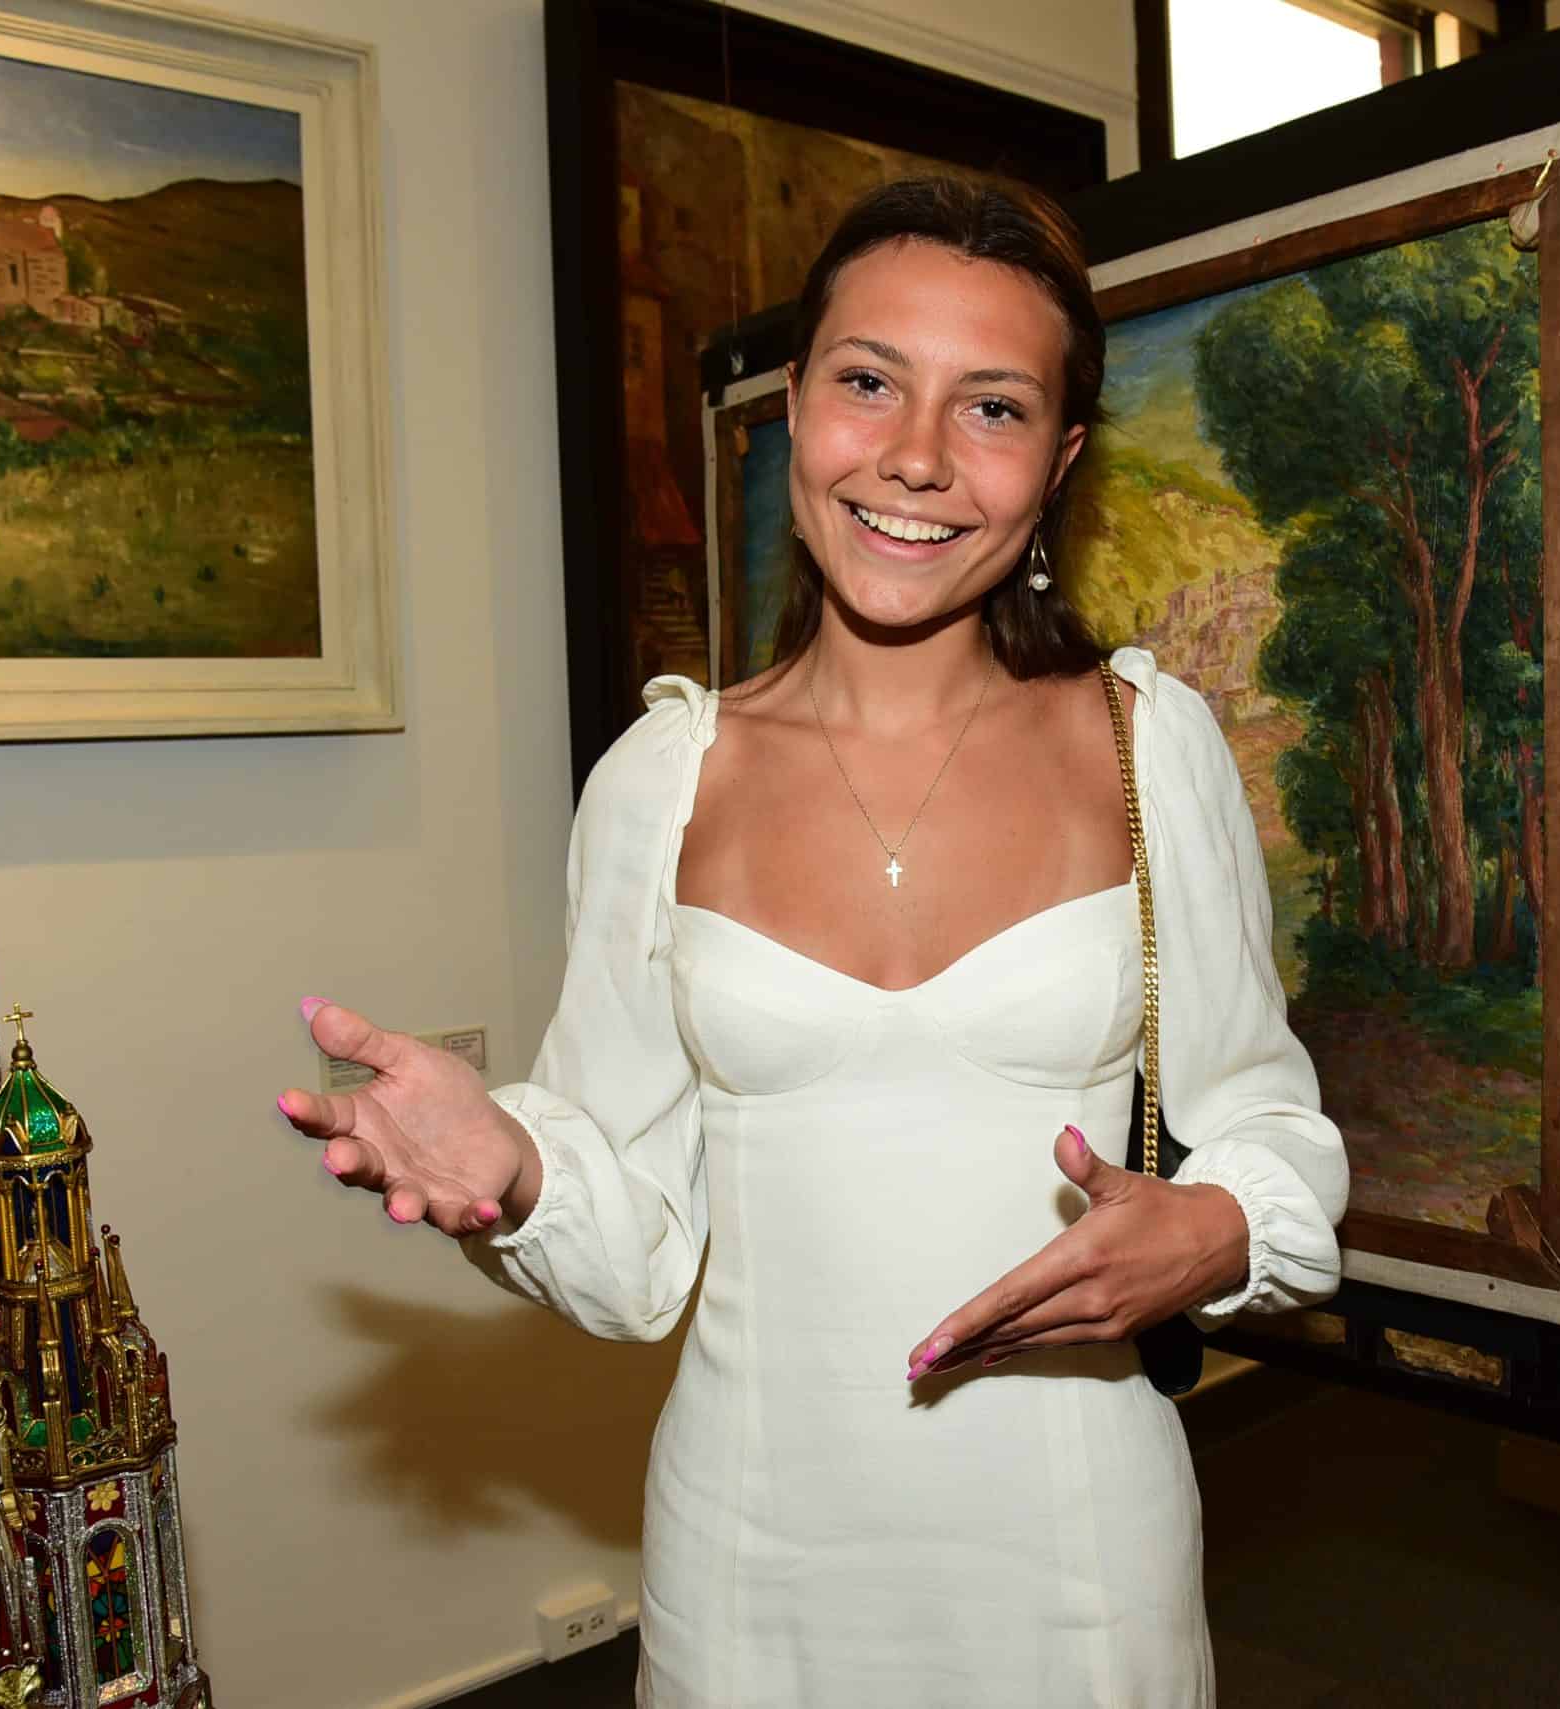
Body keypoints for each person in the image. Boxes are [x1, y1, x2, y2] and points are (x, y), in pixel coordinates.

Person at [279, 176, 1349, 1707]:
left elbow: (1276, 1129)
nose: (916, 455)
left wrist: (1219, 1227)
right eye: (869, 381)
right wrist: (514, 1165)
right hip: (753, 1559)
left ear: (1059, 461)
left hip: (1076, 1556)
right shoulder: (663, 780)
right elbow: (637, 1255)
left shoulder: (1144, 746)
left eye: (992, 406)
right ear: (798, 406)